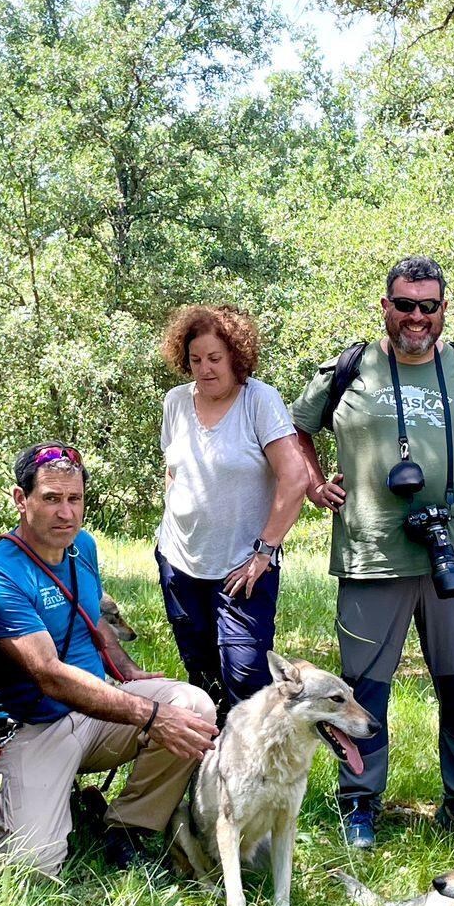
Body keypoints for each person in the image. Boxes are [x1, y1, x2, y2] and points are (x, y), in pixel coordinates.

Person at [291, 254, 454, 850]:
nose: (417, 317)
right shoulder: (348, 368)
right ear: (385, 307)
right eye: (405, 305)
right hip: (371, 555)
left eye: (429, 306)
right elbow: (295, 429)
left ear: (444, 310)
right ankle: (360, 803)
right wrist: (314, 480)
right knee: (363, 690)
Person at [0, 443, 218, 874]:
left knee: (193, 708)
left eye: (75, 499)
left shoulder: (81, 547)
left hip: (96, 711)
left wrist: (126, 671)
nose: (65, 513)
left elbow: (91, 618)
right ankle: (50, 801)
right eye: (51, 499)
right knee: (30, 868)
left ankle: (128, 828)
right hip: (34, 727)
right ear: (21, 499)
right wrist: (148, 713)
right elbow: (49, 675)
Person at [154, 304, 310, 714]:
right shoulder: (175, 403)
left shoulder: (259, 401)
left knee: (246, 676)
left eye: (215, 358)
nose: (205, 369)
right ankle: (207, 766)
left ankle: (251, 771)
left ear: (236, 357)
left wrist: (265, 550)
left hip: (243, 566)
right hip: (180, 563)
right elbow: (173, 470)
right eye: (195, 360)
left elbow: (294, 478)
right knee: (201, 675)